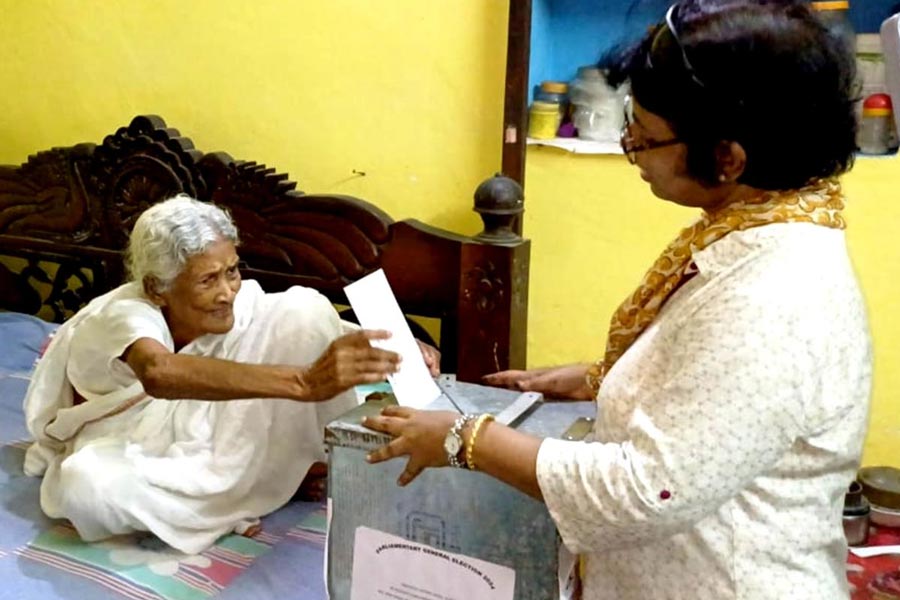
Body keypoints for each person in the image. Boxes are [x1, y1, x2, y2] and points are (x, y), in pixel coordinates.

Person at [363, 1, 871, 598]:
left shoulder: (774, 295)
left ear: (728, 158)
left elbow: (646, 491)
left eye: (647, 137)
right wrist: (603, 378)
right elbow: (717, 388)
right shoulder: (755, 231)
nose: (631, 143)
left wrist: (464, 438)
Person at [23, 194, 439, 554]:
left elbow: (284, 319)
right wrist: (304, 382)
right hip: (133, 440)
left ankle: (275, 473)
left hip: (213, 431)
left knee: (304, 309)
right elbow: (159, 372)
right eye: (208, 280)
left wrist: (394, 346)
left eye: (233, 271)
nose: (227, 292)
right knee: (86, 485)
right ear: (156, 288)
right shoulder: (121, 314)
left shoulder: (231, 303)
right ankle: (247, 494)